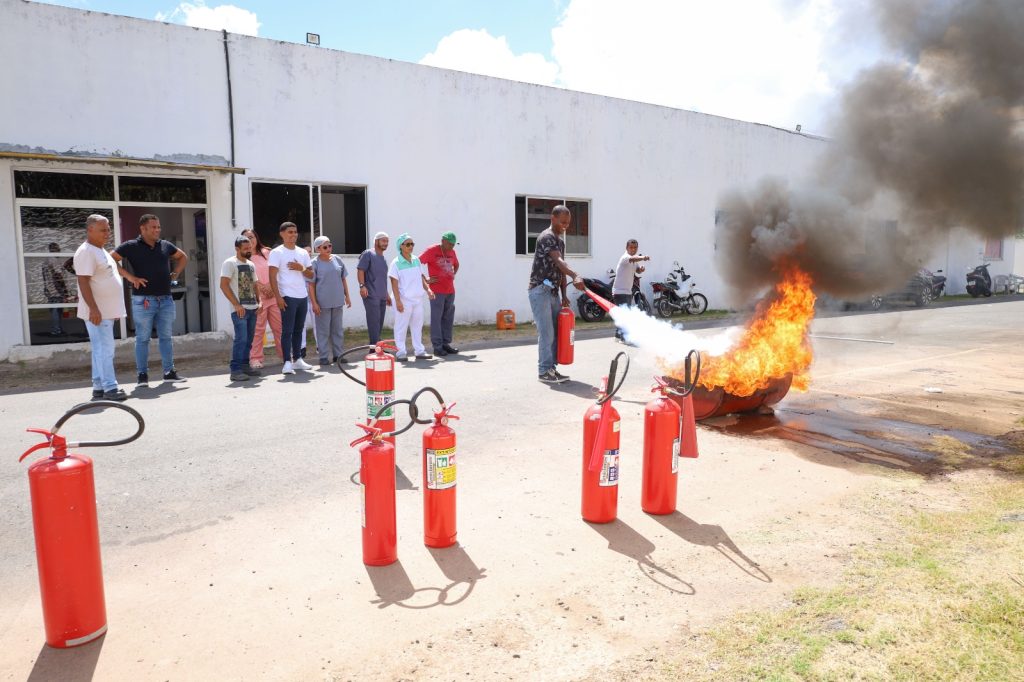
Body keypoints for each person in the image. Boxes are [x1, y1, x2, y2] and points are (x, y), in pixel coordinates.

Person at [112, 213, 188, 386]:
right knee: (143, 339)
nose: (157, 230)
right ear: (143, 229)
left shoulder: (165, 245)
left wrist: (175, 273)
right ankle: (142, 376)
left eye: (158, 227)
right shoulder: (130, 246)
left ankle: (169, 372)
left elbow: (183, 257)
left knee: (166, 337)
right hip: (143, 300)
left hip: (166, 299)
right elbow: (110, 259)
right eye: (153, 227)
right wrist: (130, 278)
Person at [527, 205, 586, 383]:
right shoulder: (547, 237)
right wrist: (575, 275)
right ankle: (543, 371)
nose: (565, 226)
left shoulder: (560, 242)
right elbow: (558, 261)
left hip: (552, 292)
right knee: (547, 333)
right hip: (539, 290)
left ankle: (551, 369)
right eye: (562, 222)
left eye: (568, 223)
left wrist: (564, 295)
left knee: (557, 332)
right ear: (552, 218)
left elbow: (559, 271)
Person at [73, 215, 127, 401]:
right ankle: (110, 388)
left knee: (101, 349)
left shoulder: (100, 250)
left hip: (106, 312)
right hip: (97, 312)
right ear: (90, 230)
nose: (107, 233)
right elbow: (83, 281)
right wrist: (93, 309)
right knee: (105, 349)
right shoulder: (86, 251)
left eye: (108, 229)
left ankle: (98, 386)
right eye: (103, 230)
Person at [268, 221, 314, 375]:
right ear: (282, 234)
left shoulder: (302, 253)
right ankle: (287, 362)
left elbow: (311, 274)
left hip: (302, 295)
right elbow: (272, 277)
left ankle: (298, 360)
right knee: (287, 330)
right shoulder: (277, 252)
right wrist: (278, 297)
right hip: (287, 295)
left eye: (295, 232)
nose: (293, 235)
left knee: (299, 330)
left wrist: (300, 268)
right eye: (290, 232)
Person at [220, 235, 262, 382]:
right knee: (241, 339)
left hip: (253, 308)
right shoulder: (230, 263)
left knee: (249, 339)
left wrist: (260, 302)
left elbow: (255, 284)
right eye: (245, 249)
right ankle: (235, 370)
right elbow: (223, 285)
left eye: (249, 247)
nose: (249, 250)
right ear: (237, 249)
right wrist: (237, 305)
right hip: (239, 310)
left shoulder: (251, 264)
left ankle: (245, 366)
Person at [388, 233, 435, 361]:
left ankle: (419, 351)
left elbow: (421, 277)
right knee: (401, 327)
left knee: (417, 326)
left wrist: (429, 290)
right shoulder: (396, 263)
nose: (411, 246)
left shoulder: (416, 260)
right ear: (401, 246)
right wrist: (398, 301)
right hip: (403, 300)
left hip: (417, 299)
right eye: (408, 244)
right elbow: (394, 284)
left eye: (412, 244)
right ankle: (400, 352)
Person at [242, 228, 283, 369]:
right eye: (246, 238)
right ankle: (255, 358)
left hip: (273, 297)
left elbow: (277, 270)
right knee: (258, 330)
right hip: (256, 300)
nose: (250, 240)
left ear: (256, 238)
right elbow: (245, 278)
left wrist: (271, 287)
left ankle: (285, 355)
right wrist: (261, 287)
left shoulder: (267, 252)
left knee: (279, 328)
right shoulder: (242, 258)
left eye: (251, 237)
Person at [309, 235, 352, 365]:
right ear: (318, 249)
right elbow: (311, 284)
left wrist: (347, 296)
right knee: (323, 331)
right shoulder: (314, 263)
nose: (328, 248)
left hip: (337, 301)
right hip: (323, 303)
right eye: (325, 246)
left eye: (330, 245)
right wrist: (314, 303)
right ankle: (323, 357)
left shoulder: (337, 260)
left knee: (337, 330)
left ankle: (338, 355)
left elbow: (343, 279)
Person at [420, 231, 460, 356]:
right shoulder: (431, 251)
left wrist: (452, 274)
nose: (452, 247)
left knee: (448, 317)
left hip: (450, 290)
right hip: (437, 291)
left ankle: (445, 344)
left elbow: (456, 265)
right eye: (450, 244)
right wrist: (425, 279)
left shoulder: (452, 252)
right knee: (436, 318)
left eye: (454, 244)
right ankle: (437, 346)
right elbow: (416, 263)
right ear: (443, 241)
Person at [357, 231, 392, 345]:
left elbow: (382, 279)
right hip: (371, 294)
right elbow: (360, 270)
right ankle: (373, 348)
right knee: (374, 322)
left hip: (382, 295)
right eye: (383, 241)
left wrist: (386, 295)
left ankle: (377, 346)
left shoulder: (383, 258)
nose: (385, 243)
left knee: (379, 322)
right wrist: (362, 286)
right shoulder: (368, 254)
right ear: (376, 241)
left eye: (387, 241)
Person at [611, 239, 651, 341]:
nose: (633, 249)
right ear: (627, 248)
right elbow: (633, 259)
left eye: (635, 248)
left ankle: (618, 335)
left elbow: (637, 270)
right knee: (626, 315)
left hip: (627, 291)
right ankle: (624, 337)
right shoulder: (625, 257)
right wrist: (643, 257)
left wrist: (640, 270)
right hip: (619, 291)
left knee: (623, 315)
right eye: (631, 247)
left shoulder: (634, 260)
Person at [42, 242, 73, 336]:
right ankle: (56, 330)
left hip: (50, 289)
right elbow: (57, 276)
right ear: (55, 250)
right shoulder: (54, 261)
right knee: (56, 310)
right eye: (58, 249)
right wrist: (65, 290)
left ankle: (58, 328)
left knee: (57, 309)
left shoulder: (47, 261)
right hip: (56, 289)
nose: (59, 250)